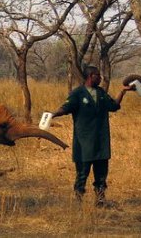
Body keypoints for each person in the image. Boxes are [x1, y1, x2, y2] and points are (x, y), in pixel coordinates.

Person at [50, 65, 133, 207]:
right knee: (82, 172)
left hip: (101, 140)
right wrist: (53, 114)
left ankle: (100, 200)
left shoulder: (100, 92)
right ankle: (78, 200)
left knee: (101, 173)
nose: (100, 78)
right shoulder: (78, 93)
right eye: (97, 75)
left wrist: (122, 92)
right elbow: (66, 108)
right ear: (90, 76)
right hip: (84, 141)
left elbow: (113, 106)